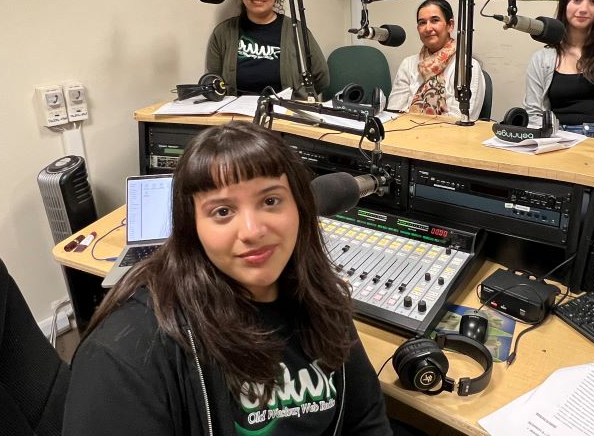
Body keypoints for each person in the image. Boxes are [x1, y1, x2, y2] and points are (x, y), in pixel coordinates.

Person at [64, 122, 392, 435]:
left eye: (270, 201)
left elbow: (365, 420)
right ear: (191, 226)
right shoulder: (126, 351)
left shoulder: (320, 296)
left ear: (300, 208)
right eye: (222, 212)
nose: (252, 231)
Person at [205, 0, 329, 99]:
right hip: (237, 115)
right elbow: (213, 80)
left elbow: (321, 77)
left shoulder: (296, 30)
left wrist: (299, 98)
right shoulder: (223, 32)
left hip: (284, 115)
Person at [523, 0, 594, 133]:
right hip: (558, 137)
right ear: (564, 3)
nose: (584, 9)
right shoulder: (542, 59)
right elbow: (534, 113)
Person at [387, 0, 486, 119]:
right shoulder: (408, 64)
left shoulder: (466, 67)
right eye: (422, 22)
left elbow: (461, 120)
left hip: (448, 136)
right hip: (405, 134)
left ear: (450, 25)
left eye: (435, 20)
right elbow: (393, 112)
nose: (428, 28)